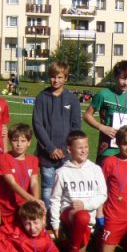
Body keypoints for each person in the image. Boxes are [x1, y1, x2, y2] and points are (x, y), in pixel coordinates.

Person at [49, 130, 106, 252]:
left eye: (86, 147)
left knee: (83, 248)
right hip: (69, 214)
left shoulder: (96, 169)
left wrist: (85, 205)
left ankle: (61, 242)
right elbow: (55, 199)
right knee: (82, 215)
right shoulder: (62, 172)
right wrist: (55, 224)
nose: (84, 150)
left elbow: (103, 195)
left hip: (88, 218)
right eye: (80, 147)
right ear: (69, 149)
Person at [31, 60, 82, 207]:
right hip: (47, 154)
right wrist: (50, 148)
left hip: (67, 154)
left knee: (66, 189)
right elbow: (37, 125)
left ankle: (63, 221)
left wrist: (68, 147)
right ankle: (48, 222)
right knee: (48, 188)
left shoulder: (72, 99)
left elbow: (76, 126)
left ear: (66, 78)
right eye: (53, 76)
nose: (56, 80)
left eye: (60, 77)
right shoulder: (42, 97)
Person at [83, 60, 127, 162]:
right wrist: (102, 127)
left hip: (126, 148)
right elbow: (87, 115)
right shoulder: (103, 94)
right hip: (107, 148)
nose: (125, 83)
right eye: (122, 78)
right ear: (115, 76)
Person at [0, 124, 40, 225]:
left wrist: (36, 202)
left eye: (23, 141)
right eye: (15, 140)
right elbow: (12, 183)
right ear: (10, 141)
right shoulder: (3, 158)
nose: (19, 144)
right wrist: (32, 199)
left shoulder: (33, 160)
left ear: (29, 142)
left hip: (25, 206)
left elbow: (34, 183)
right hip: (7, 208)